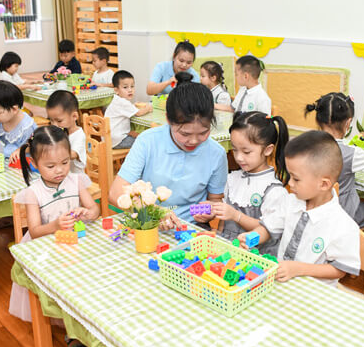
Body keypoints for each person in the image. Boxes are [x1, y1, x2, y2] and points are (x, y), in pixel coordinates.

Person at [8, 126, 100, 347]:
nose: (59, 171)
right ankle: (73, 334)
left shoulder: (77, 181)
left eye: (65, 163)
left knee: (89, 282)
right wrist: (56, 226)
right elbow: (36, 231)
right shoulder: (33, 192)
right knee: (63, 288)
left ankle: (90, 323)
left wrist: (86, 213)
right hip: (47, 248)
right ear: (35, 163)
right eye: (51, 166)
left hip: (78, 242)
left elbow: (94, 210)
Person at [238, 131, 361, 287]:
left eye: (296, 178)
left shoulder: (343, 226)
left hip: (315, 294)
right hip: (283, 285)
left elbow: (338, 269)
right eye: (289, 176)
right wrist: (252, 238)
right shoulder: (291, 202)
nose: (290, 183)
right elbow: (268, 228)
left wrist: (299, 269)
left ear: (323, 184)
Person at [110, 72, 228, 225]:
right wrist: (154, 213)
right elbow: (115, 193)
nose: (193, 140)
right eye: (185, 133)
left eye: (203, 133)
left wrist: (209, 211)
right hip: (148, 223)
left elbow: (215, 200)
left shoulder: (216, 154)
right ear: (168, 119)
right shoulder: (147, 141)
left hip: (191, 225)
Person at [305, 92, 364, 226]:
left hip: (313, 208)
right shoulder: (351, 154)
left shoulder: (307, 144)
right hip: (343, 213)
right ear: (348, 122)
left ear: (318, 119)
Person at [212, 112, 289, 255]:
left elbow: (269, 230)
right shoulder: (232, 178)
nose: (239, 157)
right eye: (235, 149)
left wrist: (236, 216)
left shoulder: (274, 191)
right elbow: (224, 220)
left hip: (257, 258)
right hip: (229, 253)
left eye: (246, 152)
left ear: (268, 150)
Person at [0, 80, 38, 163]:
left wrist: (21, 150)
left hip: (22, 162)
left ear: (14, 109)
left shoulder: (26, 127)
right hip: (5, 157)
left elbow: (35, 145)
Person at [105, 70, 152, 150]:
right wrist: (149, 107)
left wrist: (133, 105)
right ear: (116, 90)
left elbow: (126, 109)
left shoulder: (117, 100)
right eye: (125, 87)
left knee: (137, 135)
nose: (130, 90)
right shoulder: (123, 102)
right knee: (144, 142)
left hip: (109, 139)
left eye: (132, 86)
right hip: (118, 141)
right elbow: (139, 113)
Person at [45, 90, 87, 177]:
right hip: (62, 176)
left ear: (74, 116)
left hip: (76, 179)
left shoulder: (79, 135)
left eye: (59, 121)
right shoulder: (61, 132)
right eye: (51, 120)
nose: (54, 125)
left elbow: (73, 154)